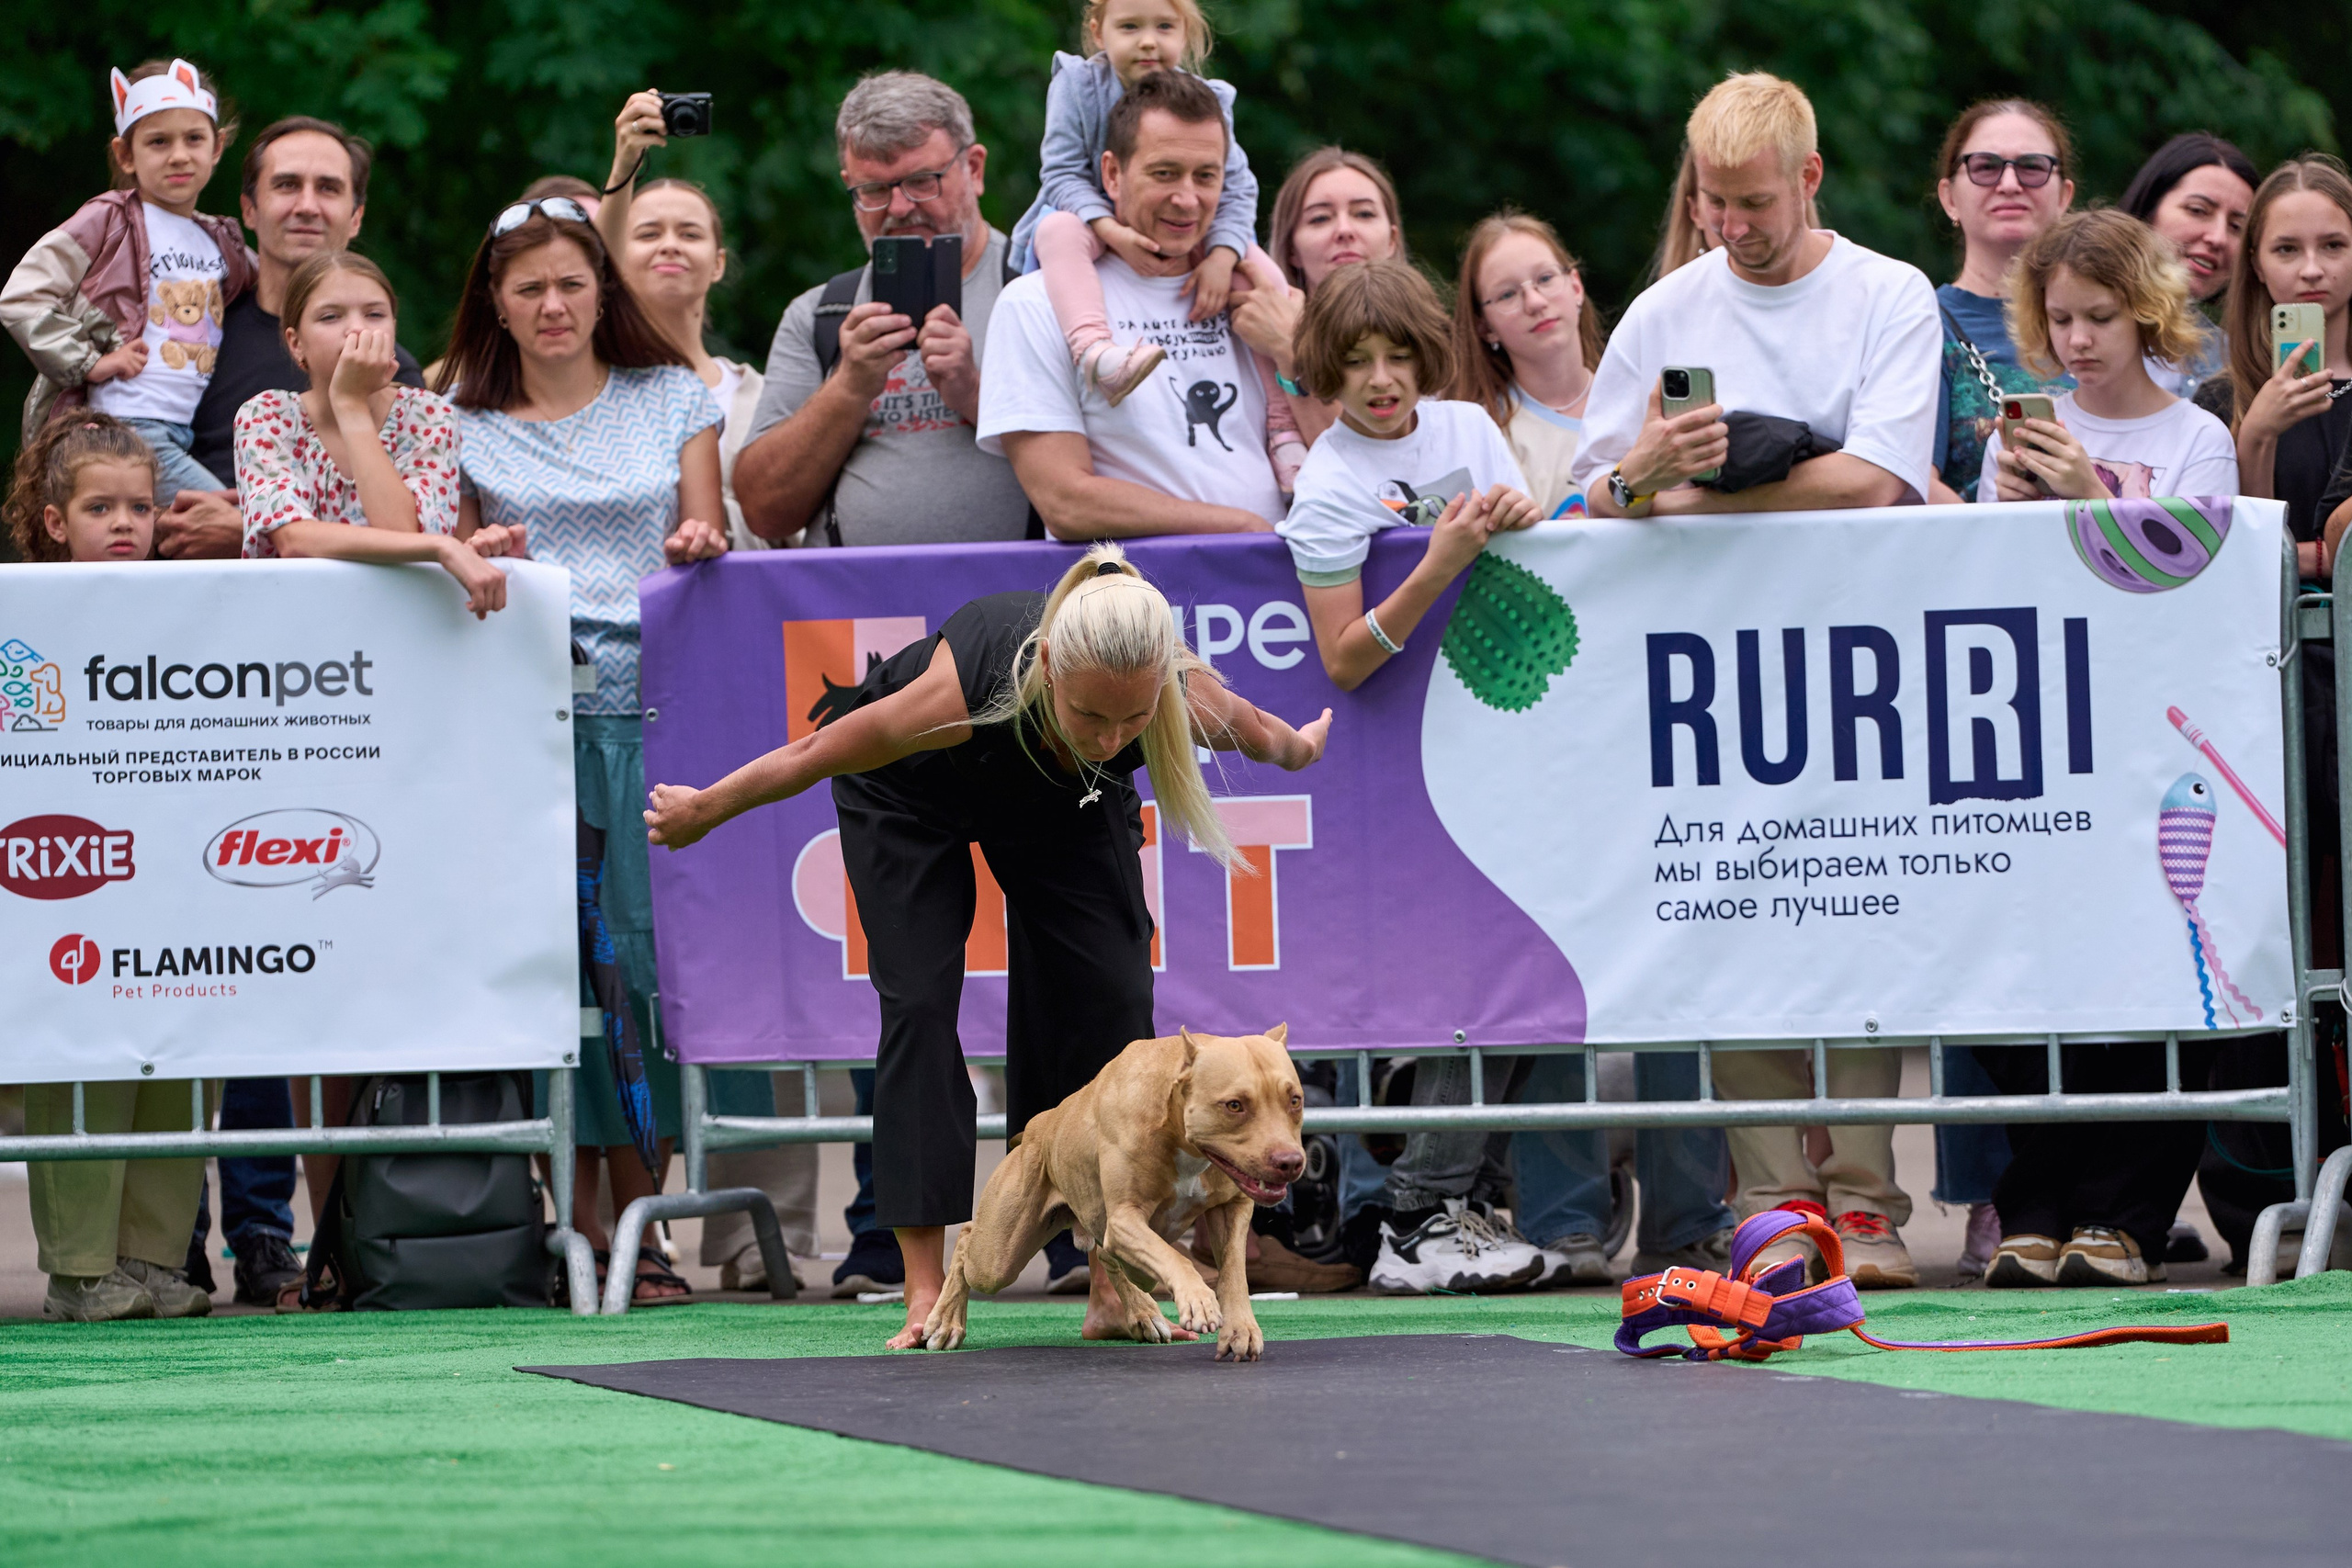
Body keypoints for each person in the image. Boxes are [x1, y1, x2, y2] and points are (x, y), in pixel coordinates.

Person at [641, 543, 1333, 1348]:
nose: (1112, 738)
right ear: (1050, 668)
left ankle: (1113, 1289)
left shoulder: (1170, 693)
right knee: (920, 1005)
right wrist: (704, 808)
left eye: (1133, 720)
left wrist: (1303, 746)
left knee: (1112, 995)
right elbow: (812, 751)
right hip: (909, 793)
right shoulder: (960, 688)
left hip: (1060, 800)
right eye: (1091, 715)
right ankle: (924, 1290)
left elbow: (1266, 733)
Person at [1575, 72, 1940, 1290]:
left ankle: (1868, 1205)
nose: (1732, 225)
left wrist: (1687, 495)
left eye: (1756, 203)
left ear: (1810, 178)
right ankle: (1776, 1205)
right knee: (1734, 919)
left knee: (1862, 911)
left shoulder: (1887, 293)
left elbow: (1879, 480)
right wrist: (1649, 469)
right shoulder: (1665, 310)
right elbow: (1594, 494)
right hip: (1710, 679)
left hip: (1861, 665)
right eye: (1713, 201)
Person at [439, 195, 736, 1303]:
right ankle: (573, 1220)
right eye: (529, 289)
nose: (553, 304)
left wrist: (700, 538)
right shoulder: (456, 421)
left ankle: (645, 1223)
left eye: (571, 282)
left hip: (662, 719)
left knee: (646, 973)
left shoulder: (675, 396)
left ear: (602, 291)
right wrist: (475, 548)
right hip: (524, 728)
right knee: (553, 973)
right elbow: (448, 557)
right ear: (496, 304)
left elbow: (707, 531)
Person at [6, 414, 219, 1321]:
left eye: (140, 506)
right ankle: (82, 1269)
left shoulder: (200, 607)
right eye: (100, 508)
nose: (125, 523)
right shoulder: (19, 611)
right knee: (82, 1054)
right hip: (65, 879)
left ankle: (152, 1259)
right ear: (56, 521)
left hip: (177, 873)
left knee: (180, 1048)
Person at [1009, 0, 1298, 501]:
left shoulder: (1205, 101)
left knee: (1266, 275)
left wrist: (1222, 257)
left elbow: (1237, 188)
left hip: (1191, 235)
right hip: (1089, 214)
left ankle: (1284, 426)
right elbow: (1060, 173)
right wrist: (1110, 230)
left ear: (1185, 34)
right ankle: (1096, 352)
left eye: (1164, 26)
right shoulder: (1078, 85)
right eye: (1130, 26)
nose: (1148, 41)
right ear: (1098, 32)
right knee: (1056, 231)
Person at [733, 72, 1032, 550]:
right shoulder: (821, 315)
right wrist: (849, 387)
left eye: (921, 181)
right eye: (874, 189)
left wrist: (974, 393)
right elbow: (764, 512)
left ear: (974, 169)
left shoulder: (1039, 290)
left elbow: (1107, 469)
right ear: (849, 186)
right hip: (853, 597)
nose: (899, 207)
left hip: (1020, 596)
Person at [171, 115, 428, 563]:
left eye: (328, 188)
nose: (307, 206)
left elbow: (402, 529)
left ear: (356, 217)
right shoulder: (191, 337)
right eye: (287, 185)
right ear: (249, 210)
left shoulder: (387, 367)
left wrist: (254, 529)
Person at [1281, 258, 1541, 690]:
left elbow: (1529, 560)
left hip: (1499, 673)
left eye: (1399, 357)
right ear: (1328, 366)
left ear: (1425, 356)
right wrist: (1439, 565)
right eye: (1356, 361)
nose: (1381, 379)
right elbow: (1344, 665)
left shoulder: (1471, 425)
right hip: (1410, 705)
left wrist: (1524, 517)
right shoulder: (1324, 485)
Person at [2, 59, 254, 502]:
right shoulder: (109, 221)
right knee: (233, 519)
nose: (179, 155)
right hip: (125, 426)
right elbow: (22, 295)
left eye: (194, 139)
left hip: (184, 429)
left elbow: (281, 288)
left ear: (217, 147)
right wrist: (87, 363)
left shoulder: (221, 240)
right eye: (158, 141)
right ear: (126, 155)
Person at [234, 250, 503, 604]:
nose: (358, 329)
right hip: (298, 616)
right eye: (330, 317)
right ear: (296, 343)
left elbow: (406, 535)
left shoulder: (429, 415)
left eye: (375, 314)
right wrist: (440, 546)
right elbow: (294, 539)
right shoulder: (266, 417)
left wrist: (351, 406)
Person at [596, 96, 771, 568]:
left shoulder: (765, 398)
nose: (670, 245)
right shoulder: (589, 388)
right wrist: (624, 165)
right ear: (617, 257)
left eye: (690, 234)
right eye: (648, 233)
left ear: (718, 263)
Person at [1981, 210, 2238, 504]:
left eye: (2101, 317)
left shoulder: (2201, 438)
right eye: (2061, 319)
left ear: (2149, 314)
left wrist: (2090, 491)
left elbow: (2194, 538)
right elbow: (1983, 536)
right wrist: (2011, 513)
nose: (2078, 340)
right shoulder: (2020, 440)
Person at [1928, 99, 2077, 504]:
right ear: (1949, 198)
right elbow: (1906, 479)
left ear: (2064, 197)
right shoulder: (1919, 322)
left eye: (2032, 167)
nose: (2009, 184)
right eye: (1985, 166)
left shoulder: (2115, 320)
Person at [1229, 145, 1409, 446]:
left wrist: (1290, 349)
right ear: (1291, 249)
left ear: (1392, 240)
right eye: (1320, 218)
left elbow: (1371, 459)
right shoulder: (1253, 343)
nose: (1344, 230)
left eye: (1364, 214)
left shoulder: (1426, 342)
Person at [1451, 210, 1604, 518]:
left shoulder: (1641, 401)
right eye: (1507, 294)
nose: (1535, 302)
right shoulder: (1483, 435)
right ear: (1485, 326)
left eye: (1545, 279)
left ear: (1576, 287)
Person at [2120, 132, 2258, 400]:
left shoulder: (2238, 368)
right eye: (2198, 210)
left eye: (2236, 227)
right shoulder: (2064, 326)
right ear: (2148, 211)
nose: (2218, 238)